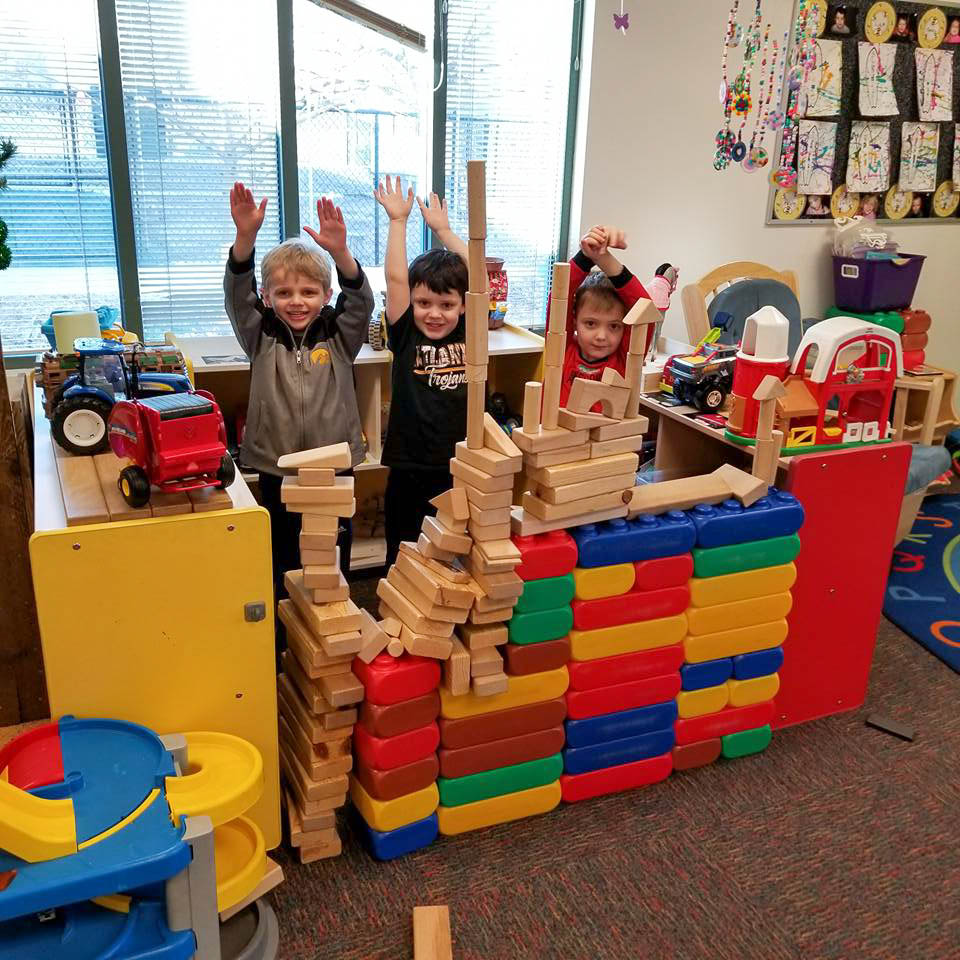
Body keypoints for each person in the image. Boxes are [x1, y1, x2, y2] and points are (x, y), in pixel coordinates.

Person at [224, 182, 374, 607]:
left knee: (331, 558)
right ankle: (288, 638)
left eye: (308, 292)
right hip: (278, 465)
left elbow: (361, 302)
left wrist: (342, 255)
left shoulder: (338, 335)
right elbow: (237, 295)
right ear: (268, 298)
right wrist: (245, 240)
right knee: (286, 560)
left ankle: (332, 624)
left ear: (325, 296)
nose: (296, 302)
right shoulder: (261, 336)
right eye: (284, 293)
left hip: (334, 467)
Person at [374, 175, 469, 567]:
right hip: (409, 463)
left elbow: (477, 273)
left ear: (463, 306)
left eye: (446, 304)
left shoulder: (471, 330)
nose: (434, 313)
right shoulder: (405, 333)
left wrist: (443, 231)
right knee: (404, 550)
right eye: (424, 302)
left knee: (451, 552)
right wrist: (398, 222)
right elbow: (396, 277)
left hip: (459, 463)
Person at [555, 225, 653, 408]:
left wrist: (605, 260)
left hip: (606, 437)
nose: (601, 336)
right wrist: (586, 256)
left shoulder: (624, 361)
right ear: (574, 320)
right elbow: (559, 296)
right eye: (591, 324)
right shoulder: (562, 349)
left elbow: (644, 310)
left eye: (614, 326)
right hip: (557, 436)